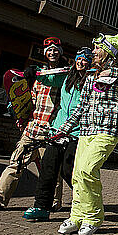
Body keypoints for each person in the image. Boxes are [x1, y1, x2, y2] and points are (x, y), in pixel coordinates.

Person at [56, 34, 118, 235]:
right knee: (77, 175)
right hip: (85, 131)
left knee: (87, 170)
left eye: (97, 49)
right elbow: (81, 107)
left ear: (108, 52)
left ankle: (93, 217)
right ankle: (77, 217)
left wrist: (113, 71)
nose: (93, 52)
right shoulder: (90, 76)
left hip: (107, 131)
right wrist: (64, 128)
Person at [0, 37, 65, 209]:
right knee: (15, 163)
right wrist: (22, 117)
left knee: (50, 170)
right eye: (49, 50)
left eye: (55, 49)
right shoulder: (38, 76)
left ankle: (54, 201)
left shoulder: (64, 75)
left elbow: (58, 85)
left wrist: (38, 74)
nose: (52, 52)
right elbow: (30, 100)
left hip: (50, 131)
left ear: (60, 52)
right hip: (32, 128)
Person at [23, 47, 93, 221]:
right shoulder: (67, 75)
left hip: (77, 133)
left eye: (85, 59)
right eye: (79, 58)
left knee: (70, 172)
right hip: (58, 129)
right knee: (48, 169)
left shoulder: (92, 81)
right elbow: (50, 78)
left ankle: (87, 205)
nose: (81, 61)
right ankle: (41, 206)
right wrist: (35, 74)